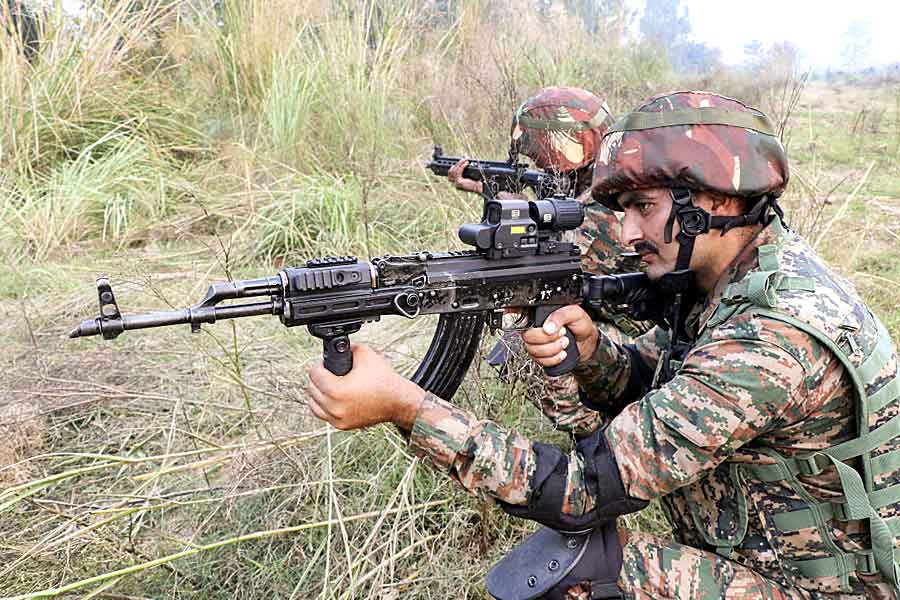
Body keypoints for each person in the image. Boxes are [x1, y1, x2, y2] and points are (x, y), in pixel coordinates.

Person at [307, 91, 900, 599]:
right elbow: (671, 376)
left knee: (580, 574)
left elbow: (583, 490)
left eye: (643, 207)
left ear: (717, 201)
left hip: (825, 590)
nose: (627, 232)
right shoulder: (741, 274)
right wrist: (593, 353)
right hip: (770, 556)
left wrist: (406, 407)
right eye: (621, 210)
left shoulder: (771, 337)